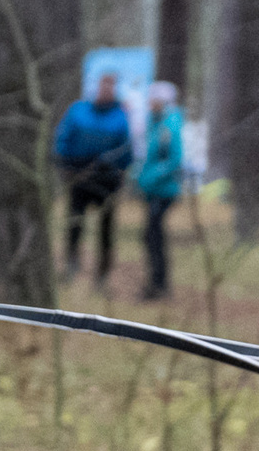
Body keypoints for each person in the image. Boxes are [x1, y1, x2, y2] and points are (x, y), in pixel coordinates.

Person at [53, 71, 135, 283]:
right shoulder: (78, 110)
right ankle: (71, 265)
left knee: (106, 228)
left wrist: (120, 169)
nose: (105, 90)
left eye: (110, 86)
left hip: (107, 179)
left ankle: (103, 273)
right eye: (102, 85)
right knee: (74, 223)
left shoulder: (120, 115)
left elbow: (126, 147)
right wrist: (64, 163)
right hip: (78, 175)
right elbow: (63, 137)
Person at [135, 82, 185, 301]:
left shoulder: (170, 125)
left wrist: (150, 177)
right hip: (152, 190)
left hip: (164, 191)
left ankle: (159, 286)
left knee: (154, 236)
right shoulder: (154, 123)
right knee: (151, 236)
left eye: (153, 99)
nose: (149, 102)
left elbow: (175, 160)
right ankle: (156, 283)